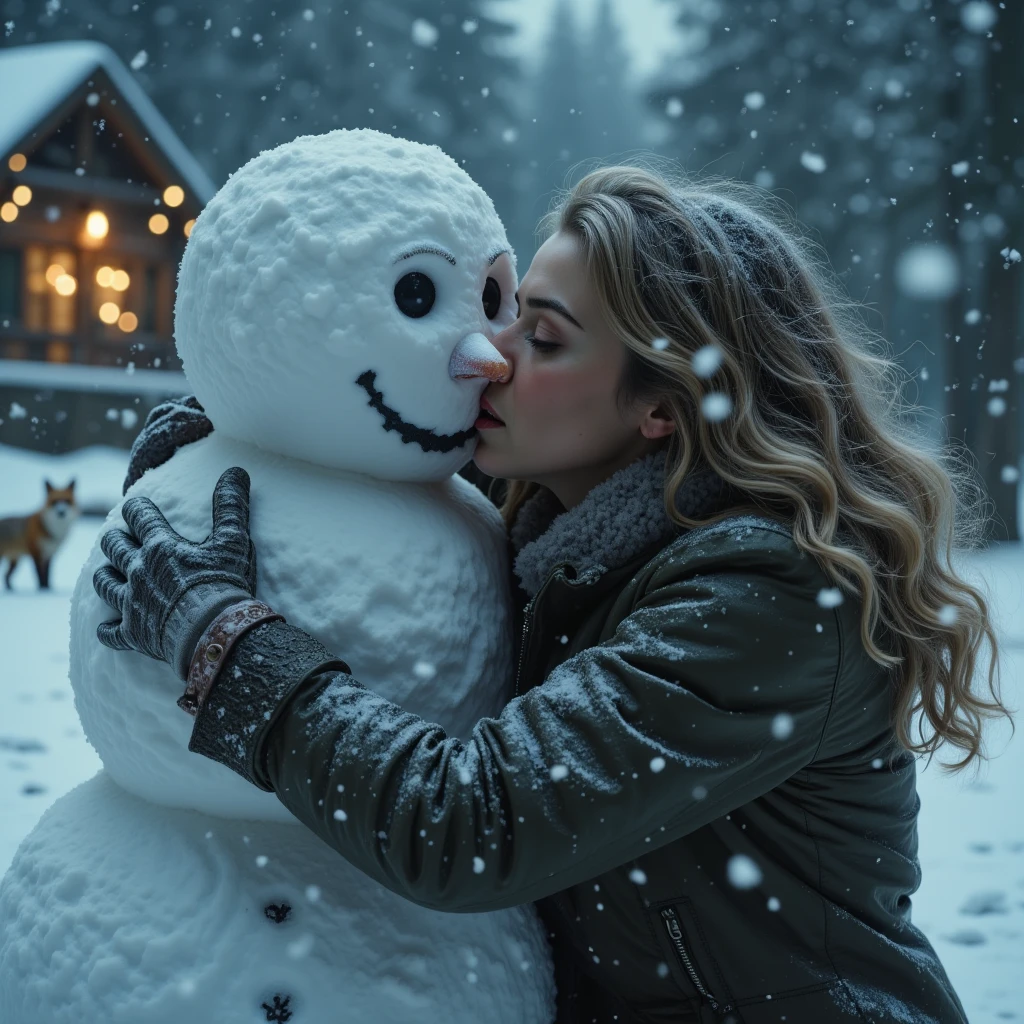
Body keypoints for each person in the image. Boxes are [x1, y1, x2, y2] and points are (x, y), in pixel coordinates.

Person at [93, 165, 1008, 1024]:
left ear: (663, 407)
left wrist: (224, 638)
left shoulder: (765, 597)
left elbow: (467, 825)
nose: (489, 357)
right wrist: (266, 442)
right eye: (510, 313)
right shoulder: (556, 528)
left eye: (546, 338)